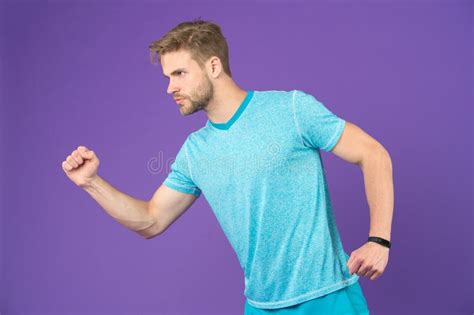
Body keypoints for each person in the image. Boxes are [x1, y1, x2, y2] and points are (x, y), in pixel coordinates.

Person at [61, 18, 394, 315]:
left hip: (327, 298)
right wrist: (91, 182)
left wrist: (378, 241)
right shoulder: (195, 151)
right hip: (260, 306)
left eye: (179, 73)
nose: (170, 87)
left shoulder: (290, 109)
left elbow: (373, 154)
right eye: (167, 76)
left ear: (214, 66)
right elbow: (151, 220)